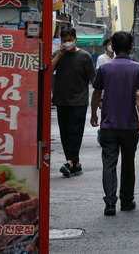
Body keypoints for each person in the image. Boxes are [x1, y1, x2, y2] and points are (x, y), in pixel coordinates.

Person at [90, 31, 139, 216]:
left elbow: (97, 93)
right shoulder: (138, 68)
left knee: (109, 163)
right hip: (129, 125)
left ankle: (110, 203)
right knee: (128, 163)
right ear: (131, 46)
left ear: (112, 47)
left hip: (108, 125)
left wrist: (93, 114)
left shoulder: (104, 69)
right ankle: (127, 201)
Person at [52, 27, 96, 178]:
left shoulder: (85, 57)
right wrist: (58, 55)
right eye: (64, 40)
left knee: (75, 131)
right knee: (65, 133)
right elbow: (48, 71)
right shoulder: (58, 55)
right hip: (61, 100)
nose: (67, 43)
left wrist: (100, 97)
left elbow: (93, 79)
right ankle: (76, 165)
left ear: (76, 39)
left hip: (79, 100)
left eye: (70, 40)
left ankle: (69, 162)